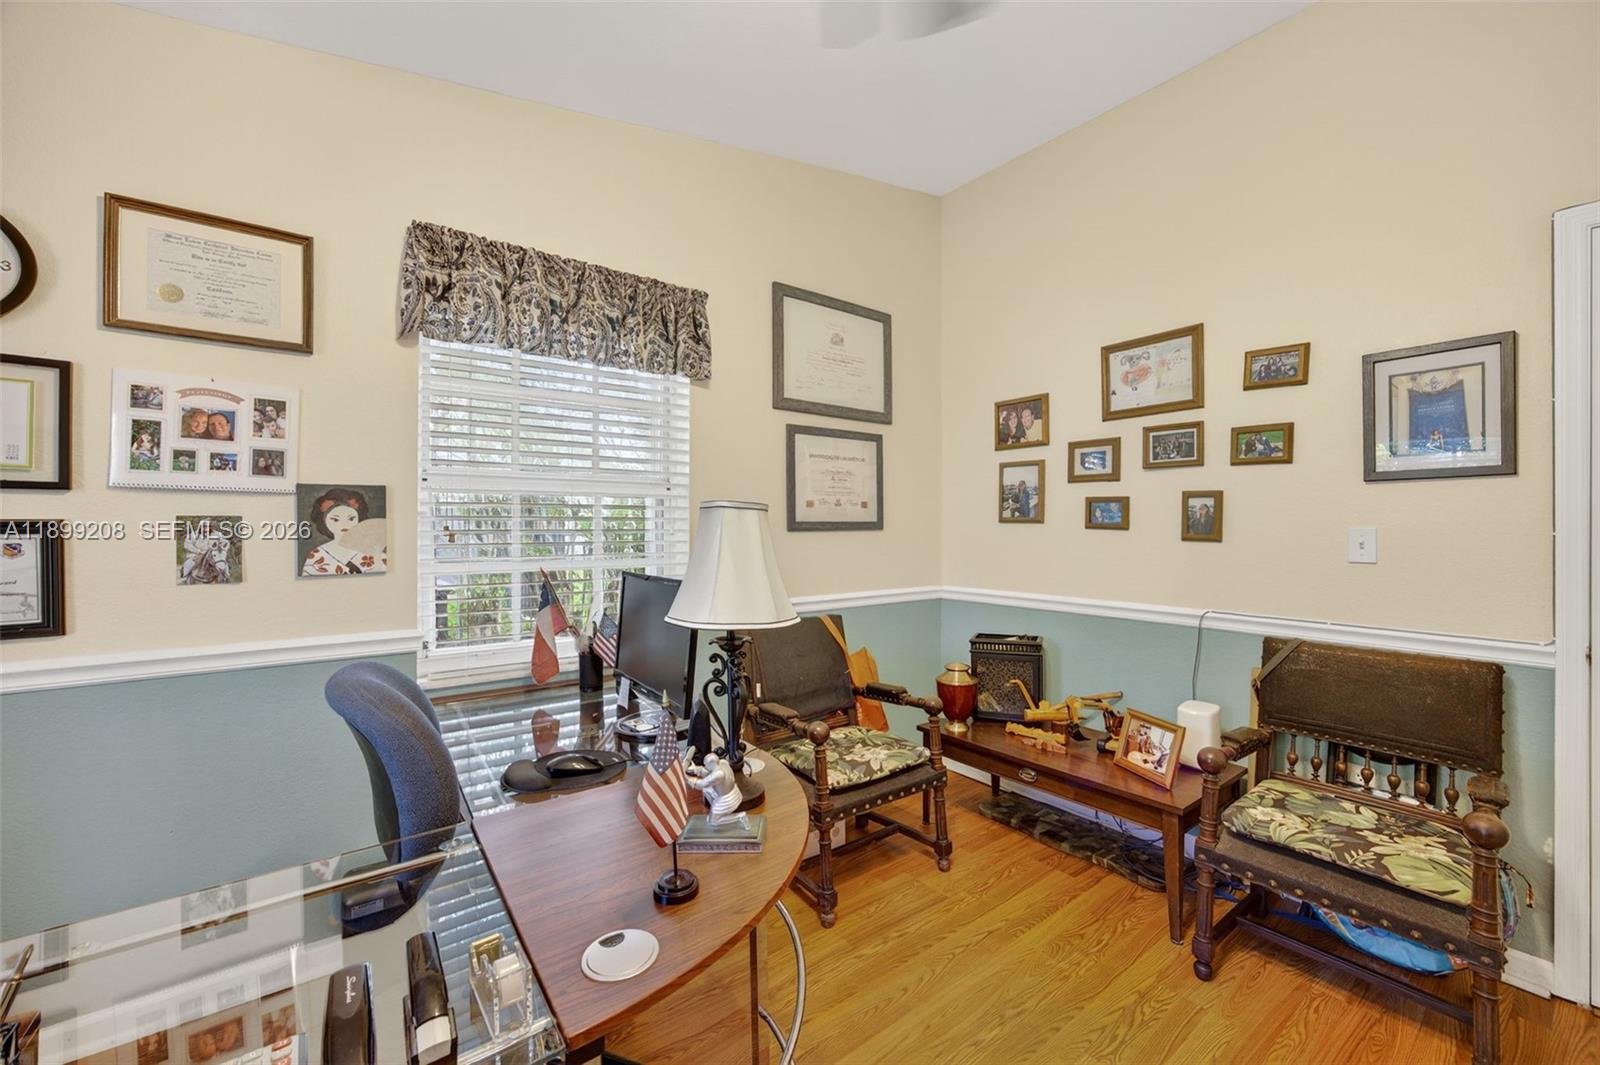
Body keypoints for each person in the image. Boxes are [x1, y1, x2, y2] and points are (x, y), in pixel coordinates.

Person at [302, 487, 387, 575]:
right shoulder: (317, 554)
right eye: (335, 520)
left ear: (359, 519)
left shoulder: (375, 550)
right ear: (324, 522)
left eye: (351, 519)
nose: (344, 524)